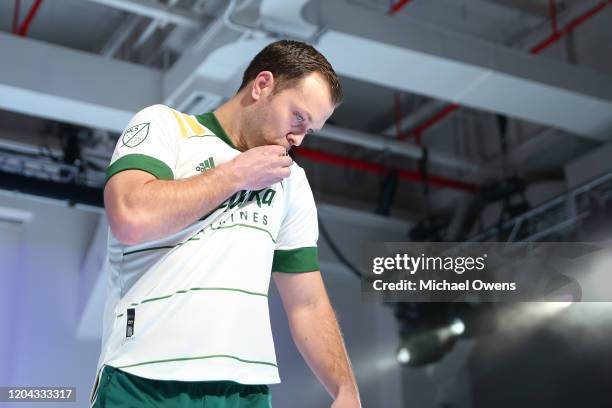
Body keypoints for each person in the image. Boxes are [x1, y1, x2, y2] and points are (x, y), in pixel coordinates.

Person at [90, 40, 361, 408]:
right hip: (143, 379)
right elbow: (130, 216)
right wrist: (234, 175)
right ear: (262, 85)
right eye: (298, 117)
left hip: (243, 391)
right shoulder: (166, 126)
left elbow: (308, 303)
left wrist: (346, 389)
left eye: (309, 130)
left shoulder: (292, 181)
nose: (298, 137)